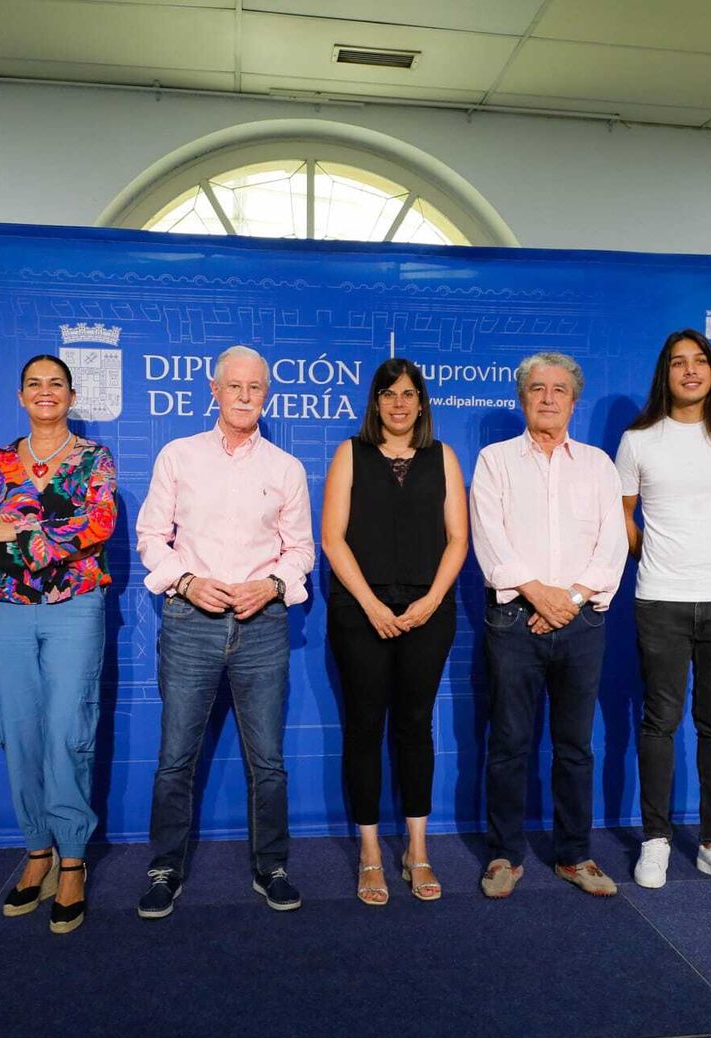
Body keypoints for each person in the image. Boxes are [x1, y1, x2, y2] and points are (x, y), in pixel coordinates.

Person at [134, 345, 315, 918]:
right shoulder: (178, 456)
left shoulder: (285, 468)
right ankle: (164, 867)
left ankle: (272, 866)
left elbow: (302, 550)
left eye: (255, 387)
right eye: (234, 386)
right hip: (190, 623)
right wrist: (185, 582)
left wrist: (275, 586)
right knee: (174, 758)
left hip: (262, 625)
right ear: (213, 390)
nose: (244, 396)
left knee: (268, 761)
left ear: (267, 394)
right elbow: (149, 538)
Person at [0, 354, 117, 934]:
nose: (46, 392)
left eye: (56, 384)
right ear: (20, 396)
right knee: (20, 728)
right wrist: (41, 537)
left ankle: (72, 857)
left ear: (72, 396)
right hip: (6, 609)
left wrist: (19, 529)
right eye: (35, 384)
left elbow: (97, 526)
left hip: (75, 607)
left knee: (68, 728)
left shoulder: (93, 459)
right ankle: (37, 851)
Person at [617, 328, 711, 893]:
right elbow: (623, 514)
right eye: (678, 363)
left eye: (699, 361)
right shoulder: (639, 439)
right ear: (666, 373)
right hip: (658, 599)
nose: (689, 371)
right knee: (659, 721)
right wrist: (656, 557)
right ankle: (655, 839)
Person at [470, 351, 627, 899]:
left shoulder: (599, 465)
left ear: (573, 400)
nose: (548, 397)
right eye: (537, 388)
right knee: (510, 743)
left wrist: (573, 599)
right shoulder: (495, 461)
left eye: (559, 389)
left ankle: (574, 855)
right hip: (514, 621)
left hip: (582, 624)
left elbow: (614, 543)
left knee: (575, 747)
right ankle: (504, 855)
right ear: (522, 398)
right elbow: (489, 537)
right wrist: (540, 595)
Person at [321, 359, 468, 905]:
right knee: (364, 727)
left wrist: (429, 602)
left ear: (422, 402)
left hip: (428, 614)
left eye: (408, 394)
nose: (399, 404)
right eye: (388, 394)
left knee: (414, 726)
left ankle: (417, 849)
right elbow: (333, 539)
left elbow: (458, 539)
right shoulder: (350, 454)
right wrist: (372, 605)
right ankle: (370, 853)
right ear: (375, 402)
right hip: (361, 613)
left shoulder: (443, 458)